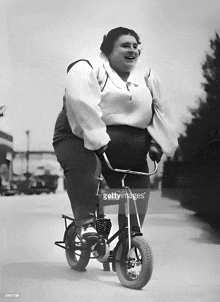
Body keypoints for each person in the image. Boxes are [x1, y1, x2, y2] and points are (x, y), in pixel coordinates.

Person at [53, 27, 178, 244]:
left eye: (135, 46)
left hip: (127, 145)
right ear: (109, 49)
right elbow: (81, 103)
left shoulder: (147, 76)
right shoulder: (88, 67)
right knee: (87, 171)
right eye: (125, 45)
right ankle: (87, 224)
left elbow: (162, 109)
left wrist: (158, 142)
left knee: (137, 187)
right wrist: (97, 139)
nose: (132, 50)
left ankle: (129, 238)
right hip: (78, 136)